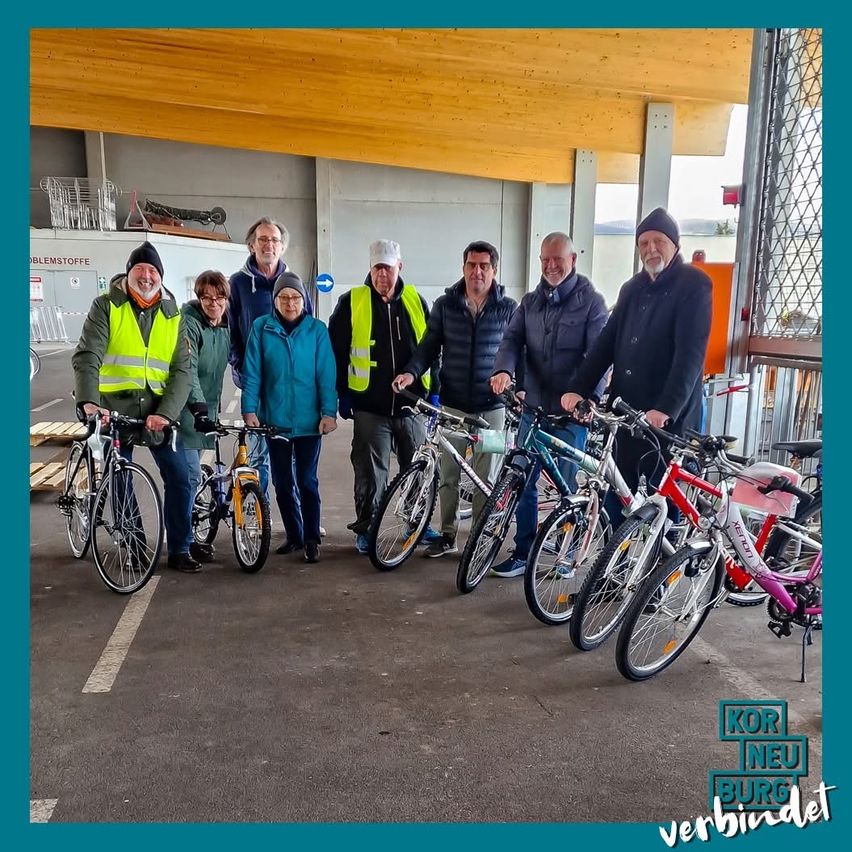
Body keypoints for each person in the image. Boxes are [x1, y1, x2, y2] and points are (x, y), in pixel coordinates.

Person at [561, 207, 713, 525]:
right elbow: (605, 345)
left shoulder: (694, 285)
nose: (650, 249)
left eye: (658, 241)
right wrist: (578, 388)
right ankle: (616, 568)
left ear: (675, 244)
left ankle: (659, 568)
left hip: (665, 419)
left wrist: (666, 408)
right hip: (627, 412)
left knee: (662, 502)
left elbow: (691, 355)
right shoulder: (632, 288)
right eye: (643, 243)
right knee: (619, 495)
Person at [488, 232, 609, 577]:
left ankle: (567, 552)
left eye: (558, 259)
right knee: (523, 480)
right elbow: (511, 340)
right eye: (545, 260)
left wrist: (589, 398)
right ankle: (524, 550)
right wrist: (503, 370)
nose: (551, 266)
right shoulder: (529, 302)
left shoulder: (592, 302)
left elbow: (599, 356)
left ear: (573, 260)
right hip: (535, 409)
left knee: (567, 488)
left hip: (571, 415)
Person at [72, 243, 197, 572]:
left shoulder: (174, 316)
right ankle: (134, 546)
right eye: (139, 269)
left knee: (180, 477)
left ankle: (181, 548)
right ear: (128, 274)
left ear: (160, 277)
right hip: (112, 409)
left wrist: (166, 413)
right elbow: (88, 355)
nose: (146, 276)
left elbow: (183, 370)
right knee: (119, 478)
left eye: (153, 271)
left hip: (156, 413)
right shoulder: (105, 307)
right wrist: (89, 400)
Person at [394, 240, 517, 558]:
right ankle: (448, 535)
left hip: (492, 407)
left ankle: (477, 538)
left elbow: (518, 350)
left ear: (494, 269)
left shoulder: (508, 308)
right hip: (453, 405)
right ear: (463, 267)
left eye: (484, 266)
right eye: (472, 265)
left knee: (484, 477)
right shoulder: (446, 304)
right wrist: (411, 372)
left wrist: (516, 384)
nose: (477, 271)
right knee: (447, 473)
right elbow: (428, 345)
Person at [328, 239, 442, 555]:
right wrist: (342, 394)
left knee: (417, 469)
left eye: (388, 268)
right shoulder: (352, 301)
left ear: (399, 268)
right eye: (377, 268)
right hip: (370, 406)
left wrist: (434, 392)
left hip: (412, 406)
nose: (382, 275)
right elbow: (335, 353)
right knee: (370, 473)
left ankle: (416, 522)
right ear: (370, 268)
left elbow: (432, 350)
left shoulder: (417, 302)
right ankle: (367, 527)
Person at [241, 272, 337, 564]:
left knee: (307, 480)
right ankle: (294, 535)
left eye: (295, 298)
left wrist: (328, 412)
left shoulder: (316, 330)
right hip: (275, 421)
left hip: (309, 422)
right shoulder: (262, 328)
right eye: (283, 298)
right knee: (282, 483)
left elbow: (326, 373)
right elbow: (253, 371)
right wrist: (249, 408)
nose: (290, 303)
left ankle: (311, 539)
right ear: (275, 300)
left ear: (304, 300)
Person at [228, 217, 312, 497]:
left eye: (274, 240)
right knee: (258, 453)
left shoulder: (294, 282)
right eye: (262, 239)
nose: (269, 245)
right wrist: (241, 367)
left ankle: (297, 521)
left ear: (282, 247)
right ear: (252, 245)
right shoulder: (238, 284)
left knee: (293, 455)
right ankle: (259, 518)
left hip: (291, 387)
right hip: (258, 385)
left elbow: (308, 330)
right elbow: (231, 332)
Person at [176, 270, 231, 565]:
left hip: (206, 411)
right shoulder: (189, 324)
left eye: (219, 297)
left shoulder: (224, 328)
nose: (213, 303)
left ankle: (188, 539)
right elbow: (189, 369)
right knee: (188, 477)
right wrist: (197, 407)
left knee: (194, 479)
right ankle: (181, 547)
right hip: (186, 412)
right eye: (207, 297)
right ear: (198, 298)